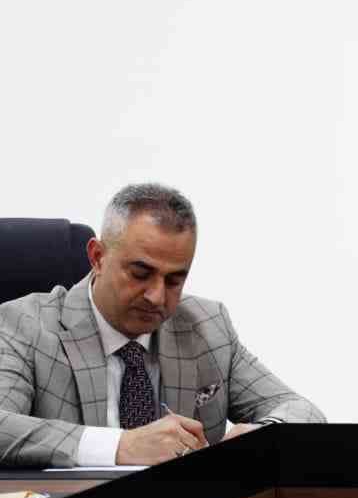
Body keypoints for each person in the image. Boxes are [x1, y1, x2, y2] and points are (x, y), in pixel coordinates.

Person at [0, 183, 325, 468]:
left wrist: (260, 435)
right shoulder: (24, 325)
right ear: (97, 257)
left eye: (174, 280)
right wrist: (121, 446)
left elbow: (303, 411)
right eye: (140, 274)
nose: (156, 296)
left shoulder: (208, 326)